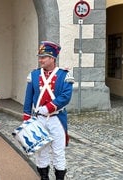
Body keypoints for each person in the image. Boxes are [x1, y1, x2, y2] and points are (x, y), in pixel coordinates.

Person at [22, 41, 74, 180]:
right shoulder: (33, 75)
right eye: (39, 57)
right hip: (39, 119)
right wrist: (27, 120)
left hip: (57, 119)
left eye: (43, 57)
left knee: (58, 152)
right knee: (41, 152)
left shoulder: (64, 75)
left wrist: (48, 108)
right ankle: (44, 178)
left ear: (52, 58)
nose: (40, 60)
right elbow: (28, 99)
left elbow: (66, 97)